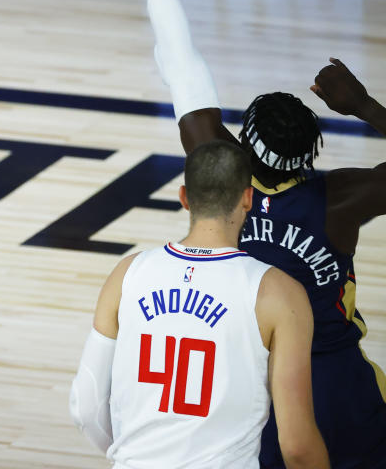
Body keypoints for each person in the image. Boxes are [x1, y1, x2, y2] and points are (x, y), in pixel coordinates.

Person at [96, 0, 386, 468]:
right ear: (310, 153)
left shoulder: (214, 158)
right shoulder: (343, 198)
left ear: (243, 145)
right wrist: (363, 106)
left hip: (248, 383)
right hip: (335, 382)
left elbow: (180, 61)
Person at [70, 140, 329, 469]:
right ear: (248, 197)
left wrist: (133, 453)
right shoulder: (280, 294)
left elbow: (85, 406)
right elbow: (297, 448)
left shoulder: (127, 274)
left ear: (183, 198)